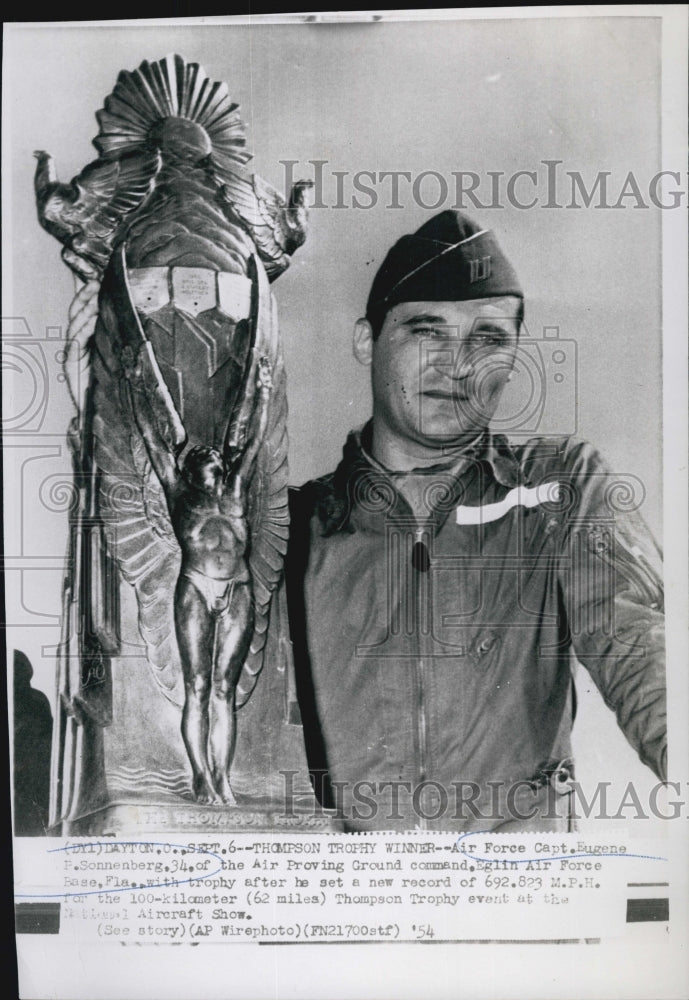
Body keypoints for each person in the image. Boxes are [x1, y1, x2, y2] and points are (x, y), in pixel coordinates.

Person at [287, 210, 666, 832]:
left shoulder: (559, 487)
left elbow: (637, 641)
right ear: (366, 341)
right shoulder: (290, 528)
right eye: (426, 331)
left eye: (488, 339)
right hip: (344, 905)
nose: (458, 366)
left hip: (523, 901)